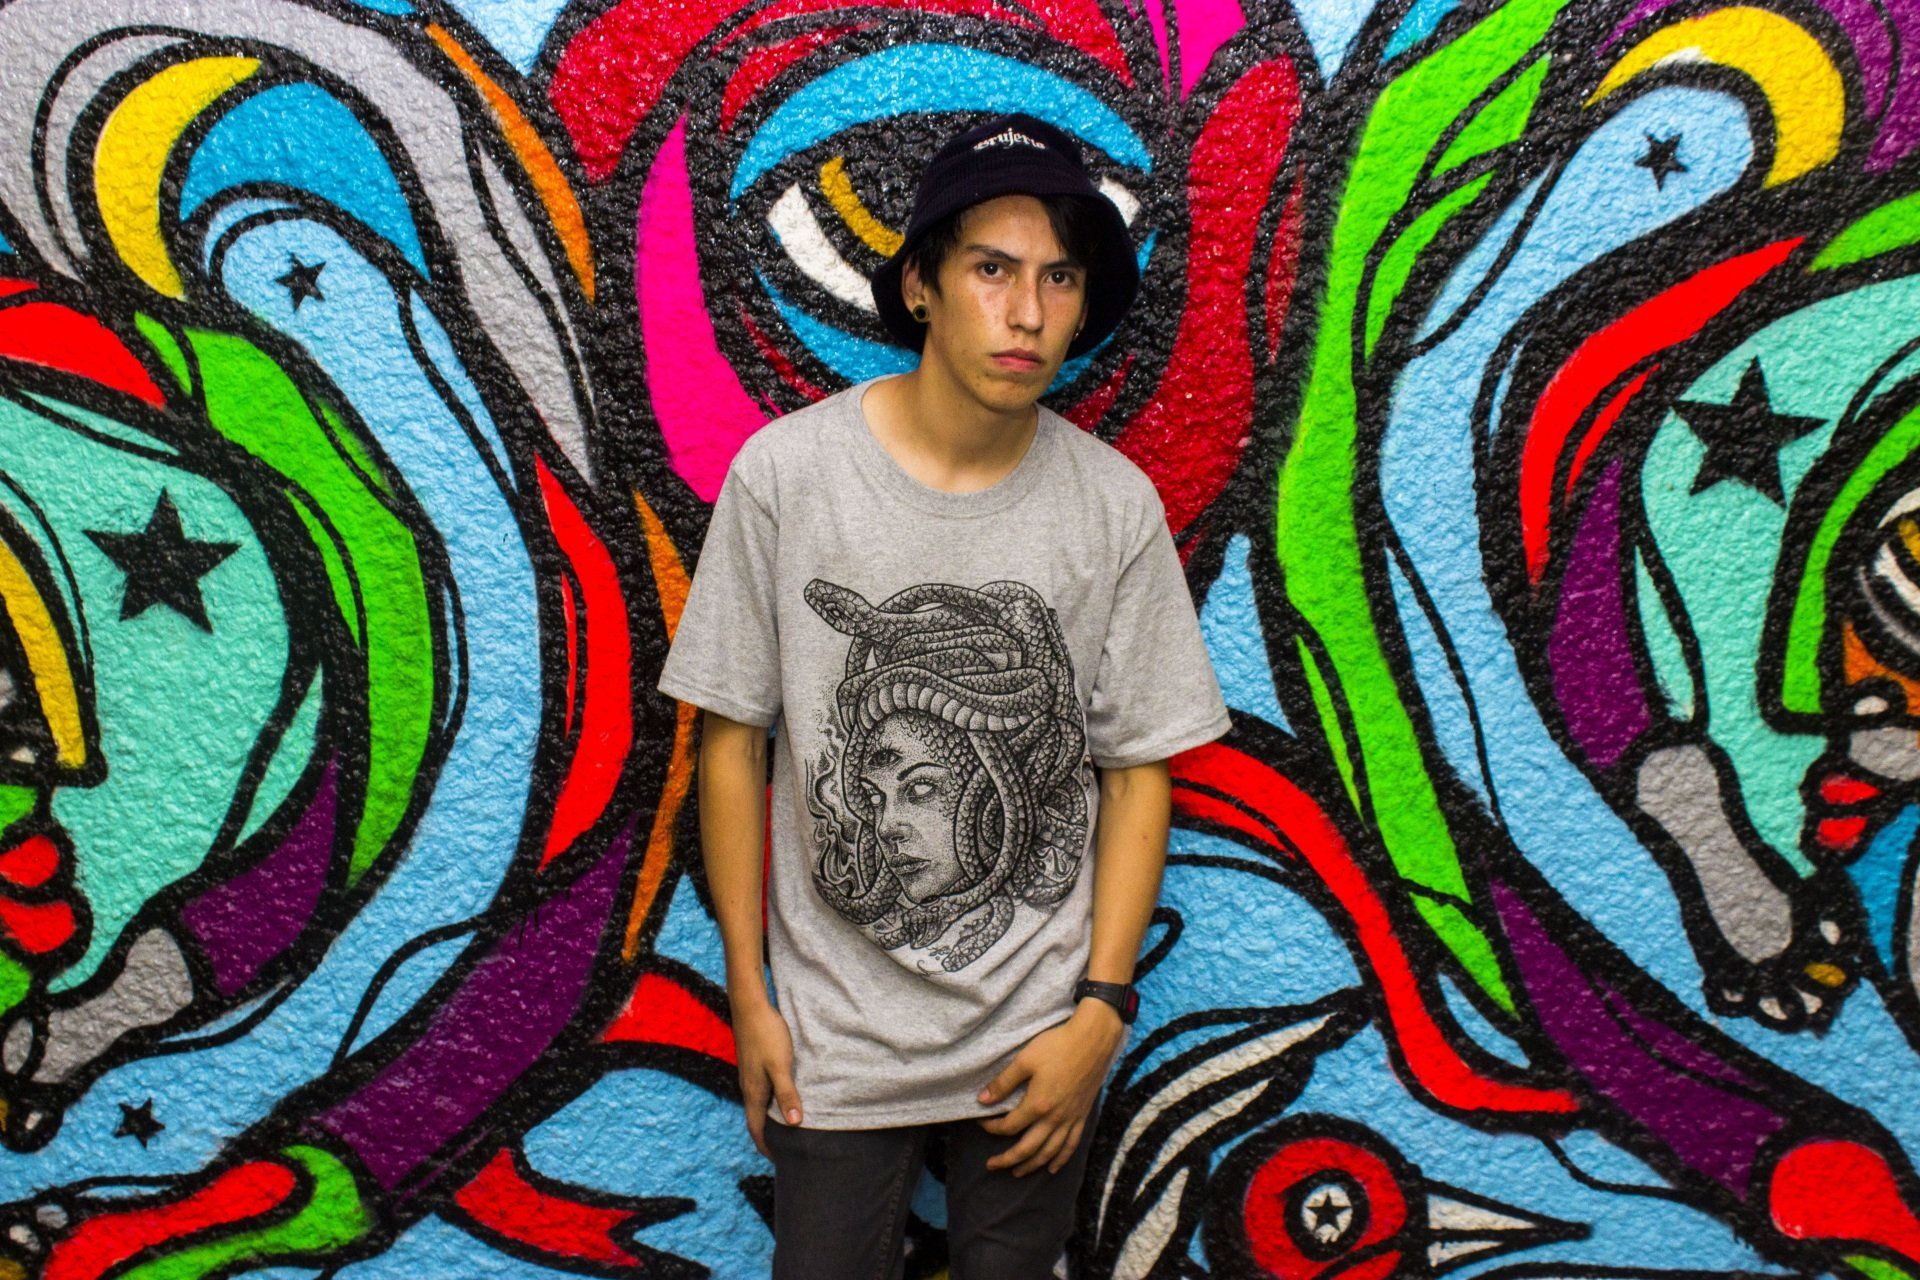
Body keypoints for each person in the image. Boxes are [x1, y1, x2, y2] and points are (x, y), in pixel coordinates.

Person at [655, 111, 1232, 1279]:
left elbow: (1136, 770)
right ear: (921, 285)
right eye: (991, 269)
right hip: (837, 1042)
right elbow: (732, 744)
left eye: (1058, 278)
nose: (1026, 312)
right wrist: (750, 1000)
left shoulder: (1110, 507)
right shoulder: (788, 477)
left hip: (1035, 1044)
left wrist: (1100, 1014)